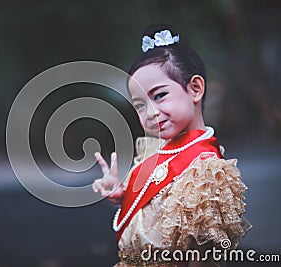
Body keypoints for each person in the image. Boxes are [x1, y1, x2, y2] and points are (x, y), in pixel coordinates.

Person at [92, 24, 252, 266]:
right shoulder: (155, 152)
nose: (150, 112)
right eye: (139, 105)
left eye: (159, 96)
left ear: (195, 89)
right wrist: (121, 194)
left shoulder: (206, 173)